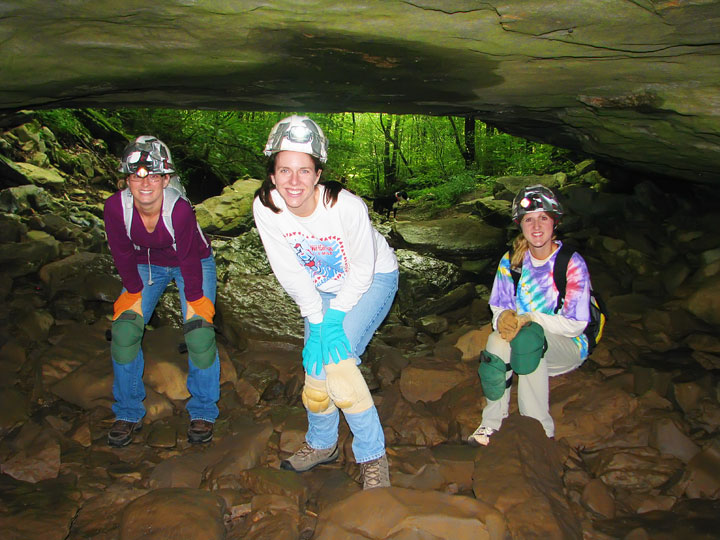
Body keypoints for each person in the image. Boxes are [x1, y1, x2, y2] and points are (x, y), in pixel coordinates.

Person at [252, 115, 398, 489]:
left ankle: (373, 456)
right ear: (273, 174)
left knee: (339, 362)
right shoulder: (267, 207)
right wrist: (316, 318)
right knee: (315, 365)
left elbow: (364, 268)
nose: (294, 181)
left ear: (318, 174)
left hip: (371, 279)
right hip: (319, 286)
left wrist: (334, 321)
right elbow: (289, 270)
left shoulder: (345, 207)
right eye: (285, 170)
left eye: (304, 171)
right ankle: (323, 444)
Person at [104, 136, 220, 447]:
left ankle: (204, 411)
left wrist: (196, 301)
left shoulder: (179, 209)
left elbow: (188, 257)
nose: (145, 184)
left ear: (166, 179)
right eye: (136, 176)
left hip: (193, 263)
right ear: (127, 179)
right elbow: (121, 251)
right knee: (125, 331)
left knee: (199, 333)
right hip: (145, 264)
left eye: (154, 176)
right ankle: (128, 411)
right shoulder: (115, 207)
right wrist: (131, 291)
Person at [468, 184, 591, 446]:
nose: (536, 226)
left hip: (567, 346)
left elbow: (577, 324)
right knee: (495, 343)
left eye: (543, 218)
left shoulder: (571, 262)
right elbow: (499, 306)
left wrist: (530, 318)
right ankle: (491, 423)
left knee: (528, 340)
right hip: (526, 336)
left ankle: (537, 428)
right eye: (528, 219)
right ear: (520, 225)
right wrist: (502, 318)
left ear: (554, 222)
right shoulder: (511, 260)